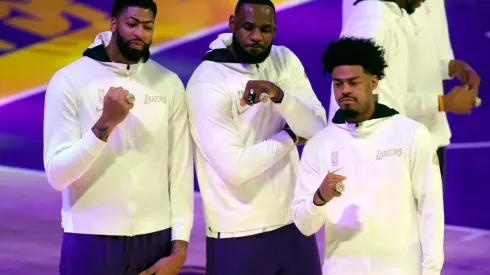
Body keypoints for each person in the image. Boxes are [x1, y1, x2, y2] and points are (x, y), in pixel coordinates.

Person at [43, 0, 194, 274]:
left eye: (148, 26)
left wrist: (180, 249)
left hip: (155, 240)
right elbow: (57, 175)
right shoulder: (69, 81)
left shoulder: (169, 83)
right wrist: (105, 124)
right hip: (89, 239)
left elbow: (181, 170)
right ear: (114, 24)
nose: (140, 33)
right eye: (132, 24)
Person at [186, 0, 326, 274]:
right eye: (248, 27)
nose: (256, 37)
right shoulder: (207, 83)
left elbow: (317, 128)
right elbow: (236, 169)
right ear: (231, 24)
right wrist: (289, 136)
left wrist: (280, 96)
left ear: (275, 29)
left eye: (265, 30)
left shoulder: (284, 60)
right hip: (238, 232)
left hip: (293, 222)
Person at [292, 37, 444, 275]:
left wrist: (431, 270)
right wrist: (319, 198)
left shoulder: (411, 134)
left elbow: (431, 209)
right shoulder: (319, 145)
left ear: (373, 82)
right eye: (338, 84)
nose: (345, 91)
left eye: (354, 82)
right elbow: (304, 226)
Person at [331, 0, 481, 178]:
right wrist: (442, 103)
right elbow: (359, 99)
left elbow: (391, 91)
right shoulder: (373, 19)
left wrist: (449, 67)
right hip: (374, 161)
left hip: (394, 151)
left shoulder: (388, 16)